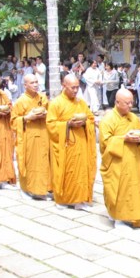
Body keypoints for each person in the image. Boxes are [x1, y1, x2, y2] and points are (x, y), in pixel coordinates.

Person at [46, 74, 96, 210]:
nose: (75, 90)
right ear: (64, 86)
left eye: (77, 87)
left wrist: (85, 123)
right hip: (65, 145)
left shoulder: (81, 103)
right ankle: (63, 200)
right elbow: (50, 125)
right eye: (72, 87)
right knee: (67, 172)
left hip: (81, 143)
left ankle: (80, 200)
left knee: (81, 171)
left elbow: (91, 119)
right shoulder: (56, 103)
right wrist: (68, 124)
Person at [99, 89, 140, 228]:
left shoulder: (133, 118)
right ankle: (118, 218)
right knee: (118, 190)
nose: (130, 105)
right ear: (117, 102)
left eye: (132, 102)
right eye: (127, 103)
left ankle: (132, 216)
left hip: (133, 162)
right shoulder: (108, 119)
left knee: (133, 190)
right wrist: (124, 139)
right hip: (117, 164)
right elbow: (105, 142)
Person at [11, 74, 52, 200]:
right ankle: (26, 189)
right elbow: (13, 121)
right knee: (29, 163)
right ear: (25, 85)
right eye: (32, 83)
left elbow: (50, 113)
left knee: (44, 163)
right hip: (28, 136)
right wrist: (27, 118)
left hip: (43, 134)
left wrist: (46, 114)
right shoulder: (20, 101)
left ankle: (42, 190)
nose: (35, 85)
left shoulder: (43, 98)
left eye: (36, 82)